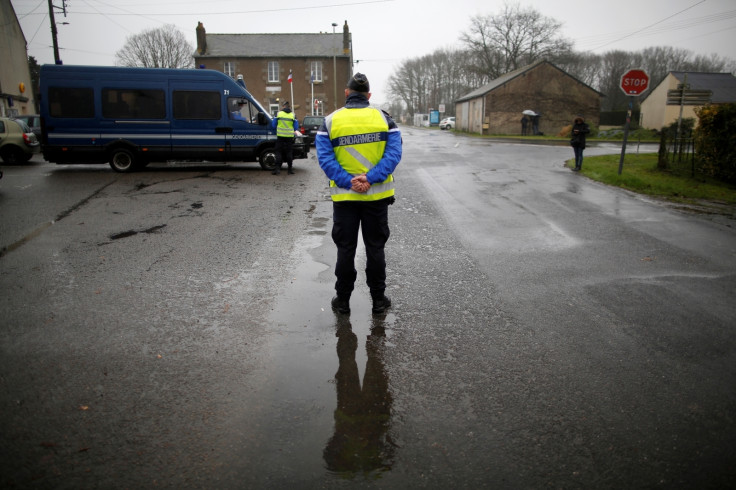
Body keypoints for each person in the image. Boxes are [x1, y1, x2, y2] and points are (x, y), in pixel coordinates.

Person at [315, 73, 402, 315]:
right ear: (369, 96)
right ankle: (378, 301)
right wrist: (370, 179)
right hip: (376, 198)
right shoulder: (385, 120)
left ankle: (342, 301)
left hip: (345, 199)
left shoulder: (330, 121)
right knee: (375, 249)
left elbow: (325, 159)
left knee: (346, 250)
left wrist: (348, 182)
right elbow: (393, 155)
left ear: (346, 93)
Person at [270, 100, 299, 174]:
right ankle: (290, 169)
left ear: (283, 107)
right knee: (289, 152)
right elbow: (296, 127)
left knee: (278, 152)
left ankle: (277, 169)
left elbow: (273, 125)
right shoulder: (293, 115)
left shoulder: (279, 114)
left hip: (280, 136)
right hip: (289, 137)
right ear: (289, 107)